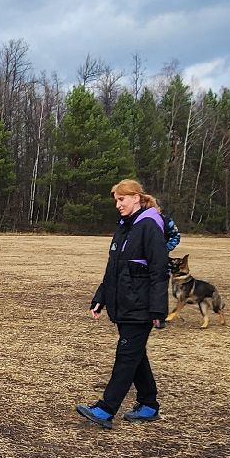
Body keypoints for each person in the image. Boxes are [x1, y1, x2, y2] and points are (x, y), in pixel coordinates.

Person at [76, 179, 169, 428]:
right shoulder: (125, 227)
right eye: (116, 200)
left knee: (126, 356)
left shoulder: (149, 226)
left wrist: (158, 309)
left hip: (140, 307)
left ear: (136, 197)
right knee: (135, 354)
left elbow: (159, 270)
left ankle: (106, 409)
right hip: (125, 304)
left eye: (122, 199)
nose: (118, 205)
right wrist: (101, 298)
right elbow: (113, 269)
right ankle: (148, 404)